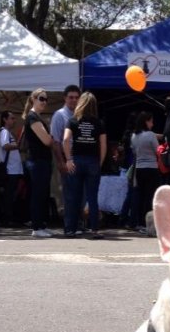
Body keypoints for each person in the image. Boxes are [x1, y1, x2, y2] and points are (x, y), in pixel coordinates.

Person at [63, 91, 107, 239]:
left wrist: (68, 159)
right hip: (93, 161)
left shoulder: (73, 120)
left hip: (76, 160)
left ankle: (71, 229)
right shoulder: (99, 123)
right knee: (92, 197)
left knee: (74, 197)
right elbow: (103, 146)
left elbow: (65, 140)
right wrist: (99, 163)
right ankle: (94, 230)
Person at [22, 88, 55, 238]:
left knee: (43, 194)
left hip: (42, 161)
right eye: (41, 98)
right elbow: (47, 140)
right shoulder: (32, 117)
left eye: (46, 99)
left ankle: (41, 224)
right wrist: (52, 136)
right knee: (38, 194)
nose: (44, 102)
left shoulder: (37, 117)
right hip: (37, 161)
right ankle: (36, 226)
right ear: (33, 99)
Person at [50, 84, 82, 231]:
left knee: (80, 193)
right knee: (69, 194)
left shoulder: (80, 114)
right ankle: (69, 226)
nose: (73, 100)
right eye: (71, 97)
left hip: (80, 157)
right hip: (66, 157)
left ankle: (79, 224)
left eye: (76, 97)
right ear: (65, 98)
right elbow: (55, 142)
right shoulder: (59, 115)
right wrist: (61, 162)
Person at [131, 111, 160, 230]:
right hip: (151, 168)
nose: (152, 124)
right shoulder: (150, 135)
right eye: (151, 121)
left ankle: (139, 222)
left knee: (140, 195)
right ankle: (148, 223)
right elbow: (158, 150)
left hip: (139, 168)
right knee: (150, 196)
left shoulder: (134, 135)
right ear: (146, 122)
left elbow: (133, 151)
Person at [0, 111, 24, 226]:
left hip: (14, 169)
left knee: (12, 194)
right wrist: (18, 145)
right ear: (5, 119)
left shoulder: (8, 133)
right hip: (9, 169)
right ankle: (7, 219)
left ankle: (10, 217)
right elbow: (5, 145)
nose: (14, 120)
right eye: (12, 118)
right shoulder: (4, 132)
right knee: (9, 195)